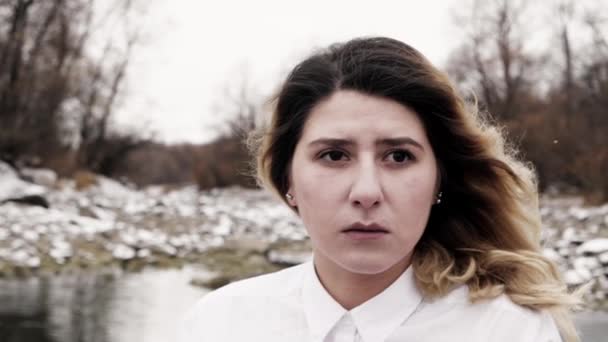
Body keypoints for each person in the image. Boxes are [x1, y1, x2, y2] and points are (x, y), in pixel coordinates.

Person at [178, 37, 581, 342]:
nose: (367, 191)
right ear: (288, 180)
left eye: (399, 157)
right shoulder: (219, 323)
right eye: (334, 155)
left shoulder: (505, 330)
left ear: (439, 178)